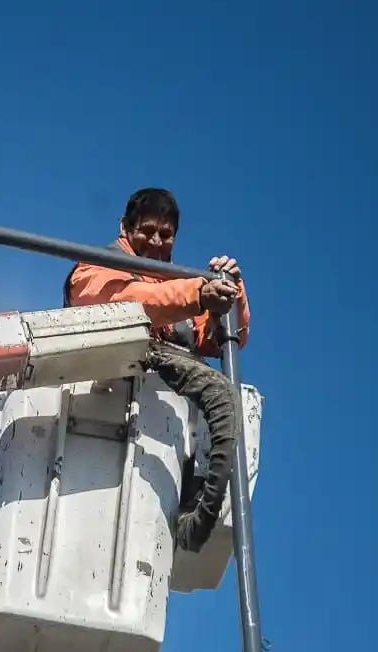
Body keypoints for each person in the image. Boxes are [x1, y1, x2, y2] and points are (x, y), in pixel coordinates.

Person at [62, 188, 250, 553]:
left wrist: (231, 294)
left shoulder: (175, 283)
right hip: (118, 379)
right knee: (217, 391)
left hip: (165, 405)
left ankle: (196, 507)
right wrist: (196, 293)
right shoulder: (94, 267)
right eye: (147, 230)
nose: (156, 241)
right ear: (125, 227)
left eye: (165, 235)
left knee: (224, 395)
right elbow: (123, 302)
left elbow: (221, 339)